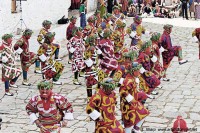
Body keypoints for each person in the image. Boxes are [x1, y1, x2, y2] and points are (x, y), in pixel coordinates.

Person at [119, 62, 149, 133]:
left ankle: (136, 128)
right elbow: (122, 91)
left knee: (144, 112)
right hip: (128, 105)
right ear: (133, 71)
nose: (139, 72)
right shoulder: (128, 80)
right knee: (129, 123)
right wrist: (130, 98)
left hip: (134, 103)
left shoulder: (133, 78)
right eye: (137, 70)